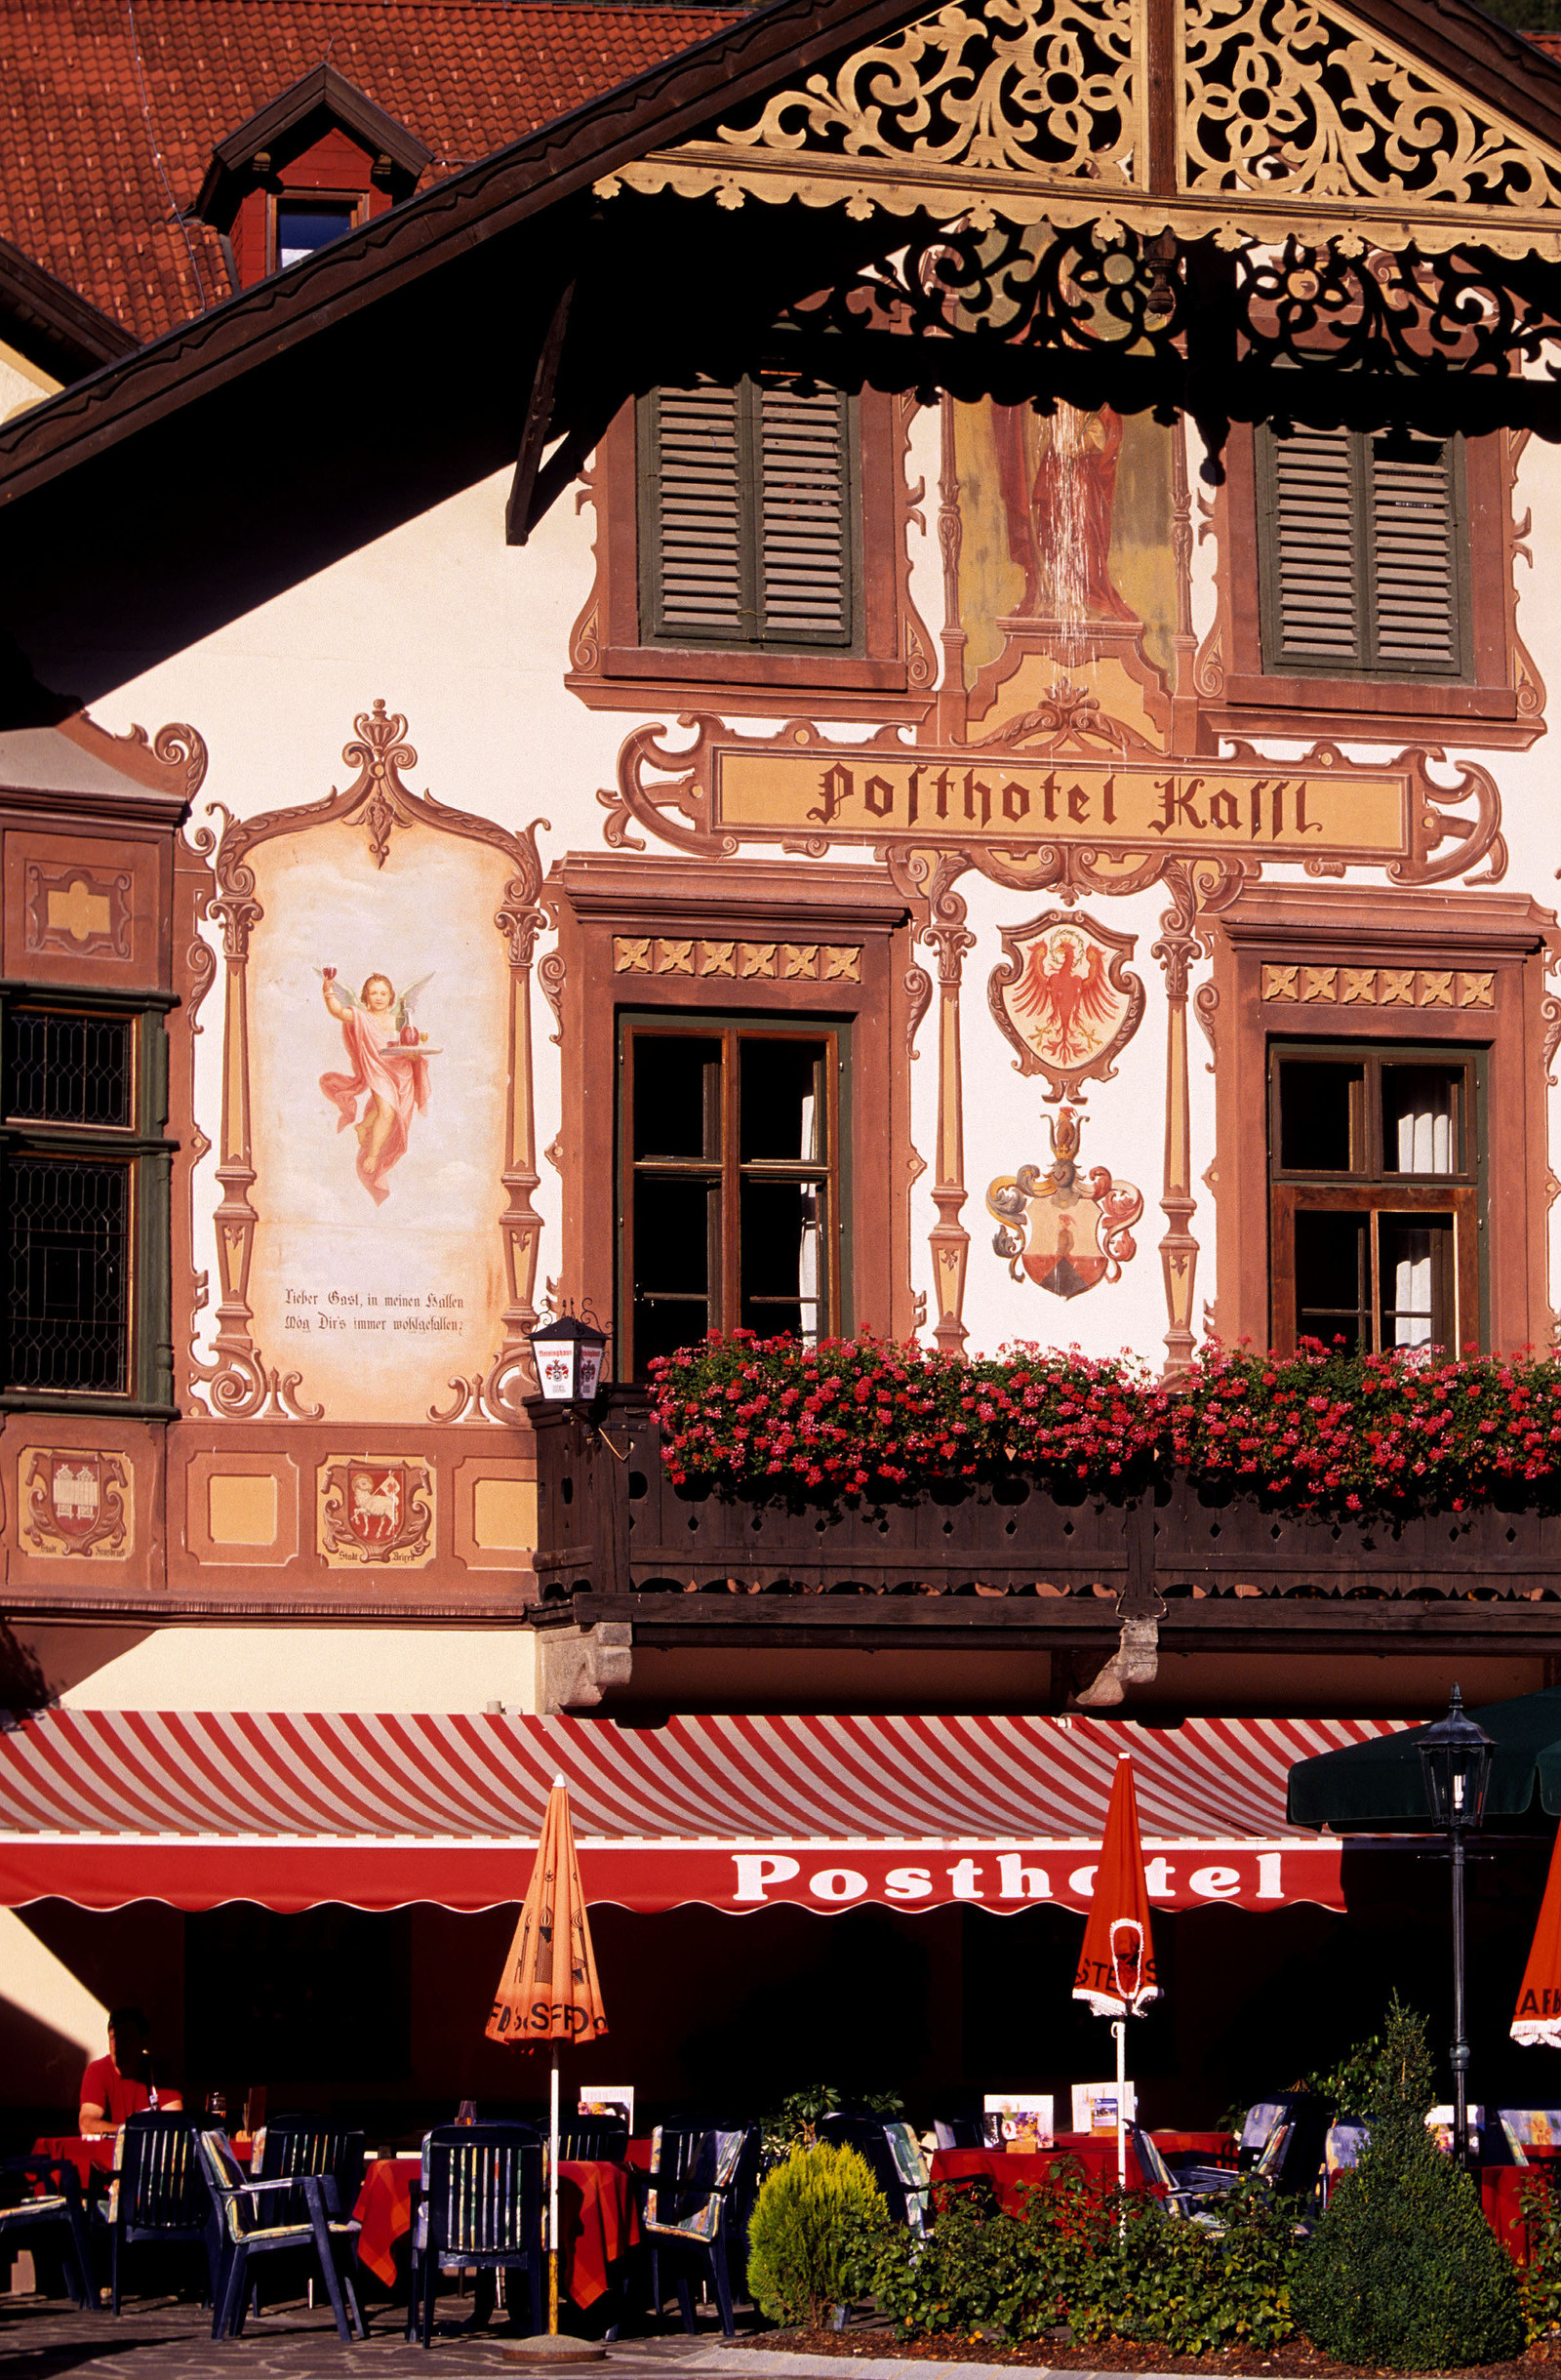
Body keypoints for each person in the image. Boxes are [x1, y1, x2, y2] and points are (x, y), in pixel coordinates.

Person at [78, 2007, 182, 2135]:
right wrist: (131, 2131)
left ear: (143, 2043)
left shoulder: (158, 2070)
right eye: (113, 2038)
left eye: (126, 2039)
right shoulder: (97, 2071)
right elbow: (87, 2124)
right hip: (111, 2148)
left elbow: (176, 2123)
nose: (118, 2046)